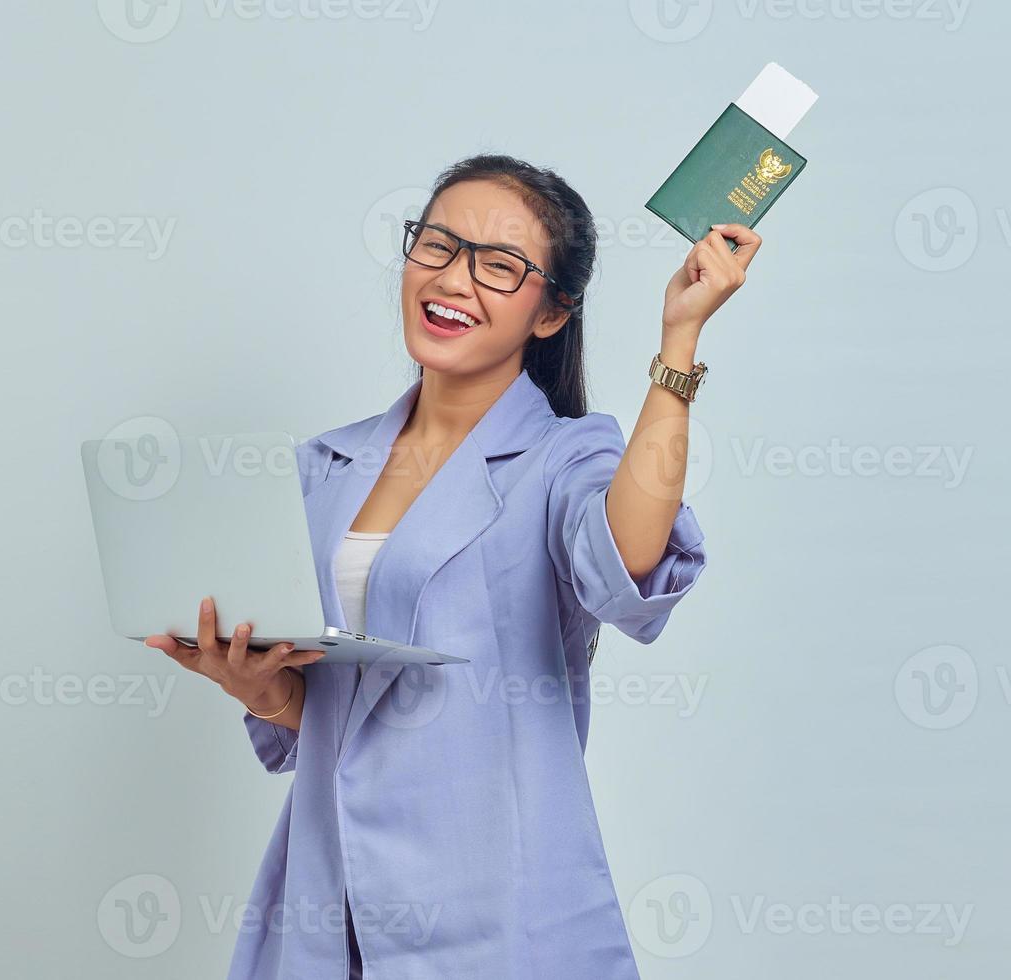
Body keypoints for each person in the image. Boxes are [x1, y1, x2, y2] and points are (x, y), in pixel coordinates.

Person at [145, 153, 761, 978]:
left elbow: (627, 562)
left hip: (496, 913)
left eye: (500, 266)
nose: (454, 279)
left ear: (551, 314)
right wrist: (260, 687)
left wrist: (678, 342)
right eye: (437, 244)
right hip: (329, 902)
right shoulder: (324, 467)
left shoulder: (561, 458)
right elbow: (332, 712)